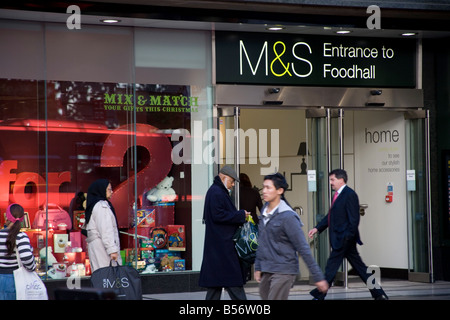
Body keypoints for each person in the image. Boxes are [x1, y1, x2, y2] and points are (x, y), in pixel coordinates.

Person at [308, 169, 389, 300]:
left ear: (341, 180)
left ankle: (319, 295)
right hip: (343, 240)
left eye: (332, 180)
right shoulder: (338, 195)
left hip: (344, 240)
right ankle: (379, 294)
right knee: (361, 269)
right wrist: (317, 228)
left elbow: (354, 220)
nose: (330, 183)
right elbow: (331, 216)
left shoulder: (350, 195)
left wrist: (346, 237)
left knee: (331, 268)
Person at [254, 173, 328, 300]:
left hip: (284, 270)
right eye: (263, 187)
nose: (264, 191)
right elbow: (262, 242)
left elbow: (303, 247)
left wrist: (317, 277)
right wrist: (258, 266)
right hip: (268, 269)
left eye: (268, 187)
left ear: (280, 190)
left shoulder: (288, 216)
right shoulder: (264, 211)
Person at [199, 165, 250, 300]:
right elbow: (219, 215)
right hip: (223, 247)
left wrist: (239, 215)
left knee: (215, 286)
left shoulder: (215, 191)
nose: (233, 184)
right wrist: (240, 215)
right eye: (232, 181)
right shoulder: (217, 192)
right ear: (224, 177)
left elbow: (219, 215)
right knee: (233, 283)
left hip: (218, 247)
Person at [84, 179, 122, 272]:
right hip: (102, 248)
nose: (112, 192)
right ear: (101, 190)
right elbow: (106, 229)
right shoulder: (102, 206)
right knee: (108, 276)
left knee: (101, 275)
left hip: (97, 246)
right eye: (109, 189)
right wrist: (112, 250)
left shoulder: (94, 205)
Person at [0, 203, 36, 300]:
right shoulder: (21, 236)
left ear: (6, 217)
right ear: (22, 219)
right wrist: (32, 267)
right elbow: (27, 259)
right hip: (14, 280)